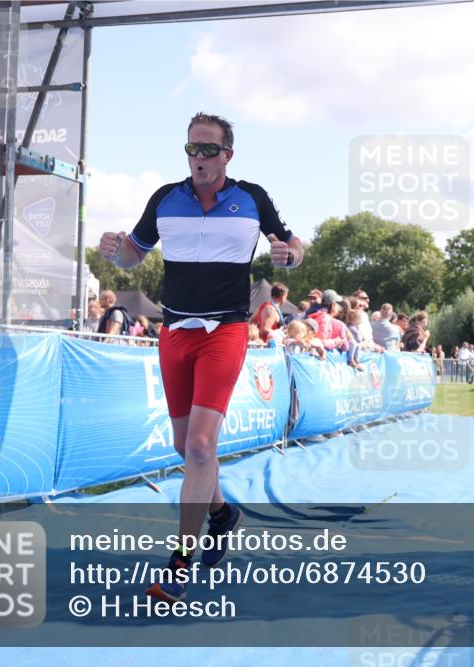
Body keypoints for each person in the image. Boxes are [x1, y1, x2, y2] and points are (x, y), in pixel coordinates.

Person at [98, 112, 303, 603]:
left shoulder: (251, 197)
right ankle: (221, 514)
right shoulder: (165, 198)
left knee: (200, 444)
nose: (199, 158)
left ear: (227, 155)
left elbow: (293, 245)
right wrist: (114, 251)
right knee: (183, 443)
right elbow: (133, 253)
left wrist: (290, 257)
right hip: (175, 332)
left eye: (209, 150)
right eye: (192, 149)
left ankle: (179, 562)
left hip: (225, 331)